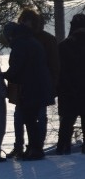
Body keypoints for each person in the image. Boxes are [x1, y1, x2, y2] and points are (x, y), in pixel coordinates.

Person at [8, 9, 59, 158]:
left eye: (28, 21)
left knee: (38, 116)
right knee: (20, 116)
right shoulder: (21, 39)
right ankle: (21, 146)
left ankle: (36, 147)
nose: (25, 24)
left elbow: (54, 65)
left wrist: (53, 85)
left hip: (40, 85)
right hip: (24, 86)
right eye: (23, 21)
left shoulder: (46, 39)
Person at [55, 14, 85, 155]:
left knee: (66, 123)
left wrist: (58, 88)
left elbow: (58, 71)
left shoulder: (63, 46)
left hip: (67, 91)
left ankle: (62, 148)